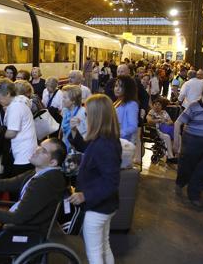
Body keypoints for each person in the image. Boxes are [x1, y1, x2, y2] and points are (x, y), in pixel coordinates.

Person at [67, 94, 121, 264]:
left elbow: (111, 182)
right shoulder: (105, 139)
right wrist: (74, 131)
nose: (85, 117)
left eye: (87, 114)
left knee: (95, 253)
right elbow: (86, 147)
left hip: (98, 208)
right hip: (105, 206)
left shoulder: (105, 145)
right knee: (104, 246)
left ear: (96, 117)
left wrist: (85, 195)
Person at [174, 86, 203, 207]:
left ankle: (194, 195)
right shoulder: (194, 106)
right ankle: (180, 182)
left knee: (202, 170)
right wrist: (176, 142)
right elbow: (178, 122)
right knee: (186, 166)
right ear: (202, 96)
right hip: (192, 141)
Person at [0, 78, 37, 176]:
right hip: (27, 152)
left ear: (7, 93)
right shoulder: (20, 102)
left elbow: (11, 133)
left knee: (18, 186)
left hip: (23, 155)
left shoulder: (15, 107)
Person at [147, 98, 176, 162]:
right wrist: (158, 120)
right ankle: (170, 156)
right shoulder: (152, 112)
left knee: (178, 135)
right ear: (153, 105)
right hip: (157, 130)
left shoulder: (164, 112)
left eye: (159, 104)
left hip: (166, 129)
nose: (157, 106)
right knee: (167, 137)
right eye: (155, 104)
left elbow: (171, 122)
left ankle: (176, 153)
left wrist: (165, 122)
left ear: (161, 106)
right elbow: (149, 120)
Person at [59, 85, 87, 153]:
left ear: (73, 100)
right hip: (65, 146)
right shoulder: (65, 111)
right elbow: (62, 130)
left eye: (65, 97)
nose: (62, 100)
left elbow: (85, 135)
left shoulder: (83, 113)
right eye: (62, 97)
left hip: (76, 149)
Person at [113, 75, 139, 144]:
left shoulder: (131, 104)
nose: (117, 89)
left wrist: (118, 133)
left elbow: (133, 126)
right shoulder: (116, 102)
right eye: (116, 86)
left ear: (128, 88)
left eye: (121, 86)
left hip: (124, 142)